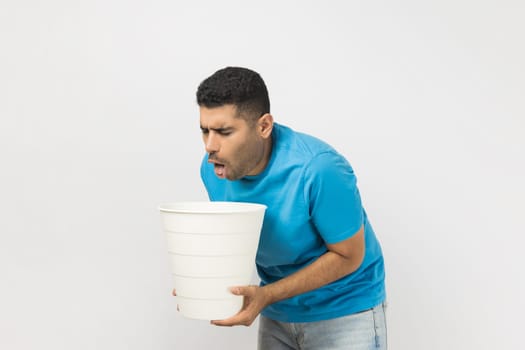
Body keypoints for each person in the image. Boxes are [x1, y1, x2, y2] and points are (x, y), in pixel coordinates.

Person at [180, 66, 387, 350]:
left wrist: (267, 295)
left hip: (345, 310)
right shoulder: (214, 171)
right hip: (278, 310)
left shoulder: (319, 169)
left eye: (224, 132)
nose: (210, 146)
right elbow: (234, 238)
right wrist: (199, 283)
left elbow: (349, 256)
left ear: (264, 126)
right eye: (205, 131)